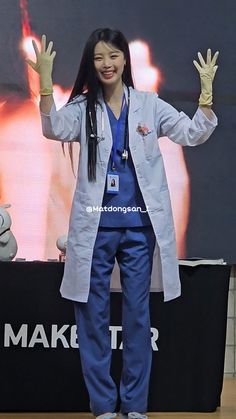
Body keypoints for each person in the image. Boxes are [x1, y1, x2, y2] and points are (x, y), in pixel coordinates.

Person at [26, 28, 219, 419]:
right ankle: (103, 407)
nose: (106, 64)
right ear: (91, 64)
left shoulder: (149, 106)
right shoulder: (83, 108)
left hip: (137, 230)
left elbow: (191, 133)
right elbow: (53, 128)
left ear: (124, 59)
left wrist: (206, 97)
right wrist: (46, 86)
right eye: (98, 58)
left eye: (113, 55)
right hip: (96, 227)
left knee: (137, 318)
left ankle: (134, 407)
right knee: (92, 317)